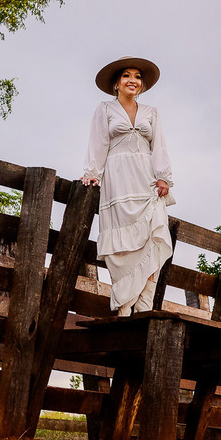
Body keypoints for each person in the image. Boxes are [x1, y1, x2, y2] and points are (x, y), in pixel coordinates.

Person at [80, 56, 175, 316]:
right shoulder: (105, 109)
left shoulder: (151, 113)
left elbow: (160, 146)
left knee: (153, 238)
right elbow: (98, 143)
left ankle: (143, 309)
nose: (133, 80)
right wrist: (92, 173)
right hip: (118, 180)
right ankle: (124, 309)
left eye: (137, 76)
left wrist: (163, 176)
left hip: (146, 182)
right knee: (122, 246)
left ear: (141, 85)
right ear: (116, 84)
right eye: (126, 76)